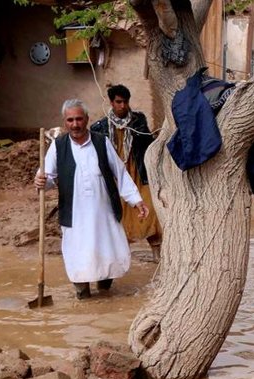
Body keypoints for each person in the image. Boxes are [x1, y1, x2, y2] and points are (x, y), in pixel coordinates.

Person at [34, 99, 148, 299]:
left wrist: (136, 200)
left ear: (87, 119)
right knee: (78, 255)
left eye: (79, 119)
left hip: (103, 212)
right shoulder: (58, 147)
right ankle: (82, 293)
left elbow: (120, 173)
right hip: (75, 215)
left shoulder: (101, 142)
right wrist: (41, 181)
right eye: (70, 120)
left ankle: (105, 292)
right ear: (64, 122)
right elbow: (47, 178)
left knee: (107, 254)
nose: (75, 124)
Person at [90, 84, 163, 262]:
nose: (122, 106)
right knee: (118, 214)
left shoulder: (138, 121)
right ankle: (121, 256)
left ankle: (156, 253)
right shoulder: (100, 127)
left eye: (125, 102)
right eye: (118, 102)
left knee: (149, 209)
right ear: (111, 103)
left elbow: (148, 145)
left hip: (138, 172)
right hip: (114, 176)